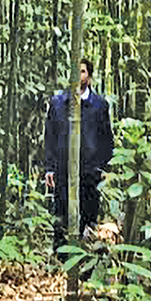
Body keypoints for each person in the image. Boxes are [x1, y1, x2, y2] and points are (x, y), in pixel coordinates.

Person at [43, 58, 114, 251]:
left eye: (82, 71)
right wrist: (49, 167)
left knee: (89, 216)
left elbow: (106, 138)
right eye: (75, 71)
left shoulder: (99, 105)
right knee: (60, 215)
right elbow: (50, 136)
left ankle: (86, 260)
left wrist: (106, 169)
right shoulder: (58, 103)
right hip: (63, 169)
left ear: (89, 77)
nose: (78, 75)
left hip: (90, 171)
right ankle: (60, 261)